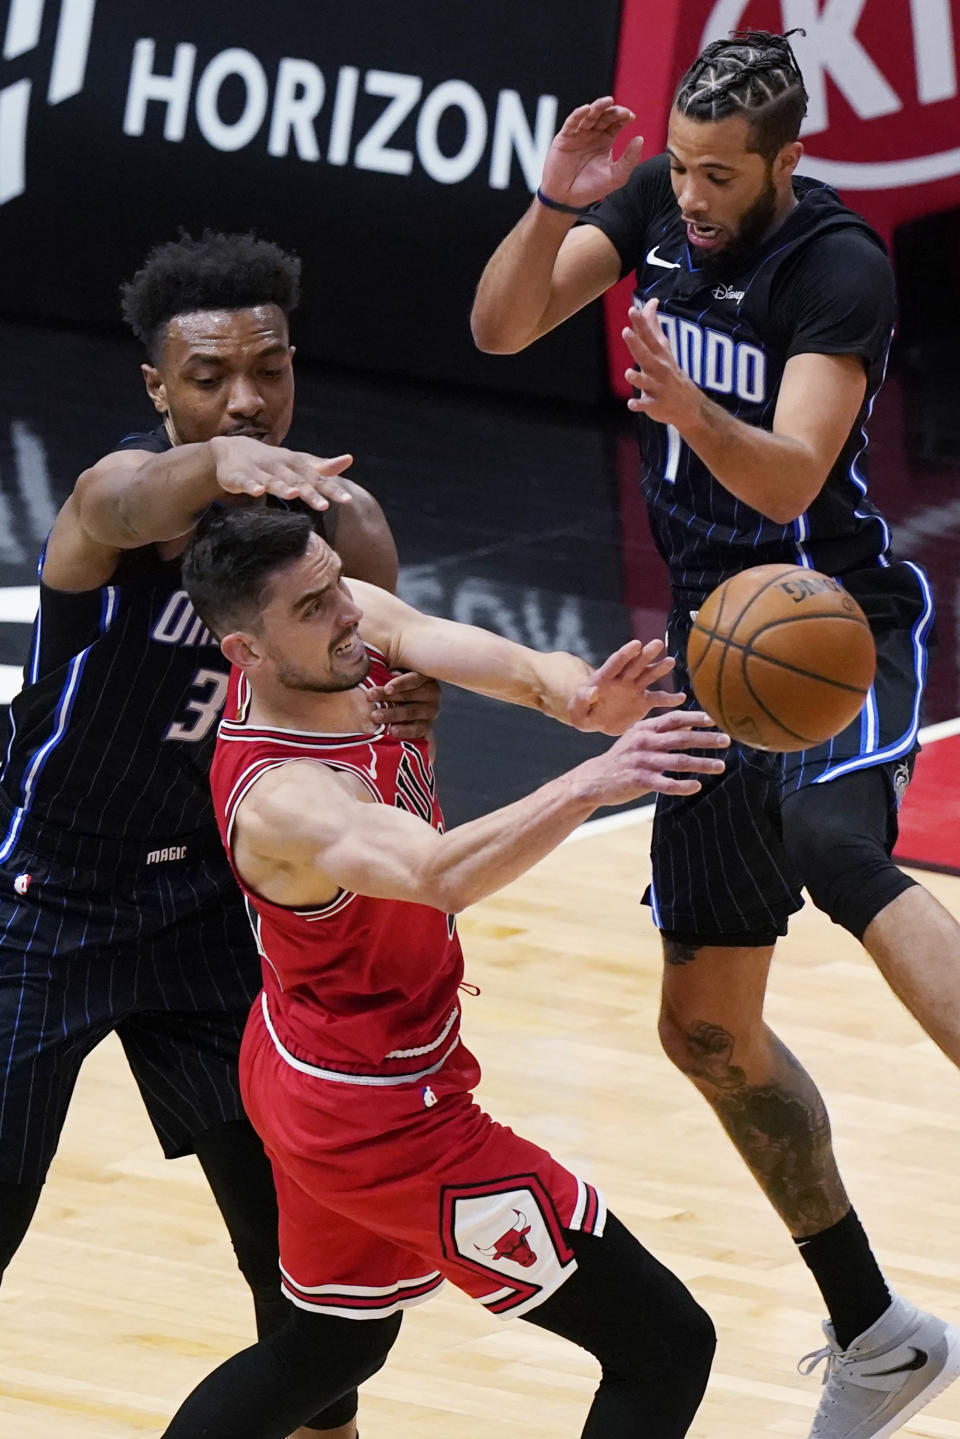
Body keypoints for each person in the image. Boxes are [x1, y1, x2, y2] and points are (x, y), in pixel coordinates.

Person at [470, 27, 960, 1439]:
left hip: (828, 621)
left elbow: (797, 463)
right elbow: (501, 324)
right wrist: (564, 199)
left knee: (828, 832)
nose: (689, 196)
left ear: (786, 164)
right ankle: (878, 1330)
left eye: (718, 176)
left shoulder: (837, 265)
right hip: (707, 645)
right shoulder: (652, 203)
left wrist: (691, 406)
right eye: (678, 169)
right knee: (706, 1028)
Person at [157, 503, 728, 1438]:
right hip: (381, 1118)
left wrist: (579, 696)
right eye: (314, 605)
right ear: (244, 650)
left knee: (329, 1346)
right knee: (666, 1344)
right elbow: (440, 873)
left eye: (337, 581)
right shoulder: (289, 796)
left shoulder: (337, 627)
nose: (348, 611)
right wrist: (591, 780)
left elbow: (485, 656)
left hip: (308, 1064)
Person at [0, 231, 440, 1439]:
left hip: (205, 910)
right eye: (208, 378)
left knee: (302, 1254)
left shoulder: (337, 531)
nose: (245, 399)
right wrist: (224, 462)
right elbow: (134, 498)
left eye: (268, 370)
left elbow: (390, 687)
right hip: (41, 896)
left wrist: (411, 702)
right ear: (157, 387)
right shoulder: (116, 501)